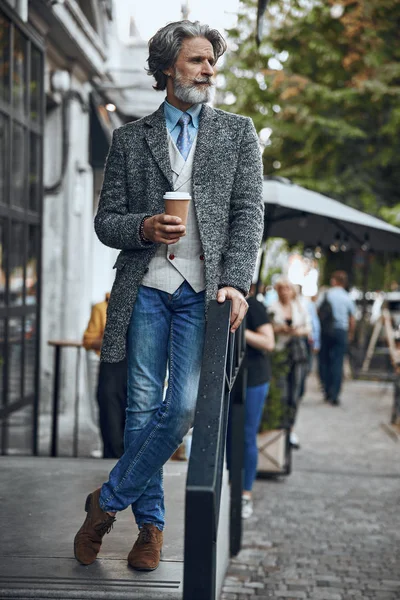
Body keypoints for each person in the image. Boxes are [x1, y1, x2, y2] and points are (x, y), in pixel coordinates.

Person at [74, 20, 264, 571]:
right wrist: (145, 228)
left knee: (179, 407)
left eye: (211, 61)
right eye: (197, 61)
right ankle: (150, 530)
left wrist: (235, 280)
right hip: (147, 289)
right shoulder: (130, 139)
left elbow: (248, 213)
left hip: (203, 291)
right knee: (138, 409)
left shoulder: (237, 132)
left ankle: (105, 504)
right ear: (167, 68)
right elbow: (106, 222)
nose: (209, 70)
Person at [240, 285, 275, 519]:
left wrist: (239, 330)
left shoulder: (254, 305)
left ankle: (245, 494)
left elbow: (268, 342)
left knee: (247, 435)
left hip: (253, 377)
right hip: (227, 379)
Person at [82, 293, 127, 459]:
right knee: (111, 427)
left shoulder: (149, 306)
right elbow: (88, 340)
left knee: (135, 428)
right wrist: (114, 341)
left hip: (137, 371)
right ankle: (110, 474)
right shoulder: (102, 308)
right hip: (111, 371)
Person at [268, 278, 311, 449]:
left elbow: (308, 329)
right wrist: (279, 329)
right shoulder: (272, 308)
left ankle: (290, 429)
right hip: (279, 353)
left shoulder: (300, 307)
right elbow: (267, 327)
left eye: (288, 288)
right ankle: (278, 429)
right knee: (280, 391)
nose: (285, 291)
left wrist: (297, 331)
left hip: (297, 355)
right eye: (282, 288)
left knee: (295, 392)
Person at [318, 271, 356, 406]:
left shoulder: (327, 294)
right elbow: (352, 319)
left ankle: (327, 390)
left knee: (325, 360)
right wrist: (350, 334)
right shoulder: (347, 297)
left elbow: (318, 311)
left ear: (334, 281)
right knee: (338, 362)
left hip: (327, 331)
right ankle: (335, 394)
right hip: (341, 331)